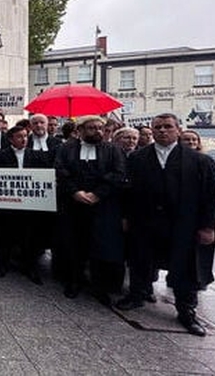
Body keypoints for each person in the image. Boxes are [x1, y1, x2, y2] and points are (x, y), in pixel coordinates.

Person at [116, 114, 215, 336]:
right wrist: (126, 217)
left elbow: (212, 196)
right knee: (140, 259)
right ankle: (137, 294)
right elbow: (127, 192)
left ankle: (186, 311)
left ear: (178, 129)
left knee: (186, 266)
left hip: (184, 224)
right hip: (145, 221)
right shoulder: (137, 158)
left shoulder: (199, 161)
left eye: (167, 127)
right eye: (158, 127)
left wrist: (207, 227)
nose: (162, 131)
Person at [55, 116, 126, 303]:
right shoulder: (66, 148)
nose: (98, 131)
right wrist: (75, 192)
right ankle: (74, 281)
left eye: (101, 128)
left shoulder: (113, 150)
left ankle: (99, 286)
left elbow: (118, 174)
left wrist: (97, 194)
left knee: (100, 246)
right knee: (74, 244)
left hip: (102, 206)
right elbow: (61, 171)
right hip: (73, 205)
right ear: (81, 130)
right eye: (92, 128)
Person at [0, 125, 49, 283]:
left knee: (30, 236)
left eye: (25, 136)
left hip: (30, 205)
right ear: (11, 139)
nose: (23, 139)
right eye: (19, 137)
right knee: (6, 235)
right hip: (8, 205)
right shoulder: (0, 156)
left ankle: (30, 267)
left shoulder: (37, 156)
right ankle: (3, 264)